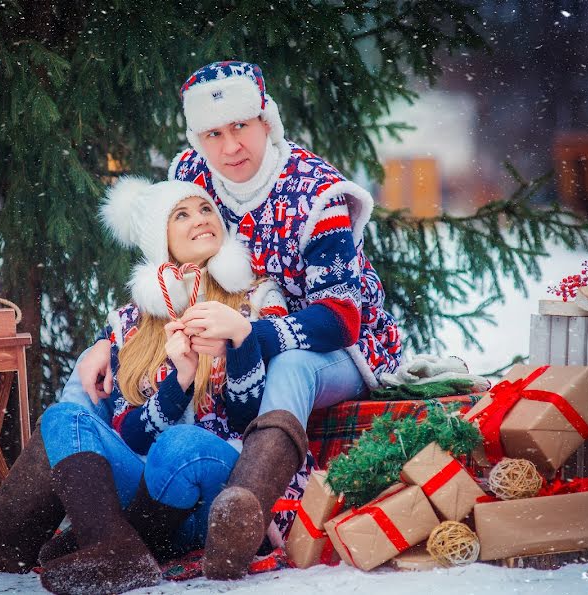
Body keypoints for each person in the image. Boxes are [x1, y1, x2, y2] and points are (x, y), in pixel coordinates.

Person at [74, 61, 404, 580]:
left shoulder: (317, 194)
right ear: (197, 137)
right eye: (214, 133)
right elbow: (164, 256)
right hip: (235, 332)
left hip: (338, 347)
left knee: (293, 366)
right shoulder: (192, 174)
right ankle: (46, 511)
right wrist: (103, 341)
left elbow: (340, 318)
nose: (230, 147)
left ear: (266, 121)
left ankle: (246, 511)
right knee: (89, 372)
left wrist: (248, 334)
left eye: (241, 127)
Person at [0, 177, 309, 592]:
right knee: (66, 417)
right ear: (160, 237)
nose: (200, 220)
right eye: (182, 214)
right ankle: (101, 544)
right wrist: (181, 382)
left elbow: (253, 417)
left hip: (217, 486)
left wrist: (242, 341)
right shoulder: (130, 322)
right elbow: (129, 432)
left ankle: (59, 534)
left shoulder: (258, 297)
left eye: (206, 209)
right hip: (149, 494)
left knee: (180, 445)